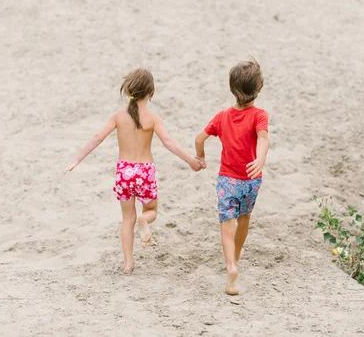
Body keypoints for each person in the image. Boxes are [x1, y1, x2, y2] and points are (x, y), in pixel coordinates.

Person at [64, 68, 203, 274]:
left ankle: (128, 263)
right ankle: (144, 221)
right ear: (152, 92)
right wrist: (191, 160)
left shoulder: (118, 117)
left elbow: (97, 138)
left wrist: (77, 159)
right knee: (150, 211)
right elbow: (169, 142)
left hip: (124, 171)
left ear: (128, 90)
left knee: (127, 219)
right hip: (145, 171)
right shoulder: (153, 118)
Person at [194, 57, 269, 295]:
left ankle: (231, 268)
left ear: (232, 89)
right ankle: (237, 256)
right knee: (244, 218)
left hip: (227, 180)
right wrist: (260, 159)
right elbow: (264, 138)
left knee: (227, 224)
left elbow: (199, 139)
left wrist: (201, 156)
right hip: (251, 180)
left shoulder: (221, 116)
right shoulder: (259, 115)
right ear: (259, 89)